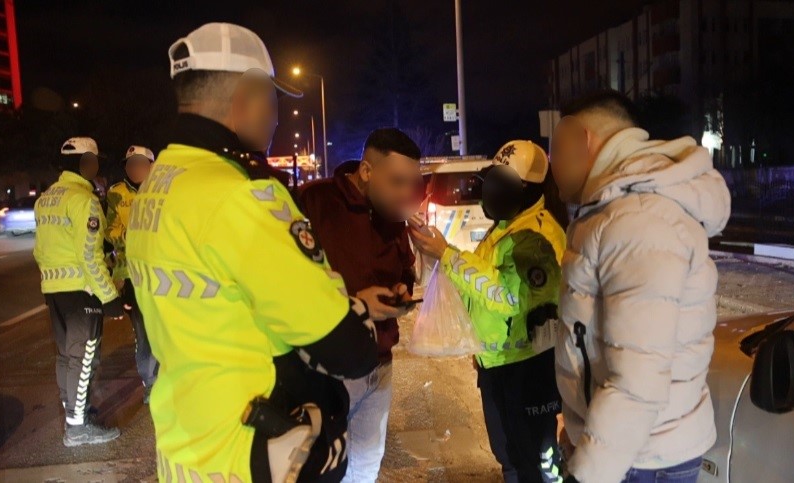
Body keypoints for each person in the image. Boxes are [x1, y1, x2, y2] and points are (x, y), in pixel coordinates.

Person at [126, 23, 390, 482]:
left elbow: (224, 305)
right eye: (272, 98)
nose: (274, 115)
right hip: (247, 453)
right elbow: (345, 348)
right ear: (244, 94)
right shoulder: (241, 196)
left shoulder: (156, 186)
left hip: (183, 449)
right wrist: (358, 318)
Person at [549, 91, 731, 483]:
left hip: (640, 459)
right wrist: (581, 430)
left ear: (585, 139)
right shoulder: (618, 212)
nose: (553, 166)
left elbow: (637, 379)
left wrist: (588, 472)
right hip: (631, 449)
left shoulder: (638, 221)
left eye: (556, 151)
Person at [411, 140, 567, 483]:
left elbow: (506, 297)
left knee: (528, 462)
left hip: (526, 370)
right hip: (500, 364)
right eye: (490, 181)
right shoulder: (508, 226)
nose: (490, 191)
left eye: (502, 184)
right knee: (511, 456)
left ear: (528, 189)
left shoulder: (534, 237)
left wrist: (448, 255)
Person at [298, 128, 423, 482]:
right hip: (327, 369)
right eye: (397, 181)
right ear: (367, 171)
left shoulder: (392, 214)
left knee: (365, 469)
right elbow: (286, 286)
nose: (405, 194)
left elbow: (403, 269)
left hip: (379, 367)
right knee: (321, 469)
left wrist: (402, 289)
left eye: (411, 184)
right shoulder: (313, 203)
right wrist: (353, 305)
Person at [33, 136, 126, 447]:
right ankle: (77, 428)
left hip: (55, 289)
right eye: (95, 160)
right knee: (84, 357)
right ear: (86, 163)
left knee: (66, 356)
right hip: (81, 291)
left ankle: (75, 410)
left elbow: (40, 250)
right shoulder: (82, 200)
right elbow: (90, 255)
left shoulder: (45, 198)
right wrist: (109, 296)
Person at [104, 145, 158, 404]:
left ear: (151, 165)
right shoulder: (116, 193)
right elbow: (110, 232)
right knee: (143, 332)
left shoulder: (163, 191)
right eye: (130, 164)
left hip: (163, 274)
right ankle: (150, 383)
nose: (134, 168)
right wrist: (135, 235)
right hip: (132, 276)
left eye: (139, 163)